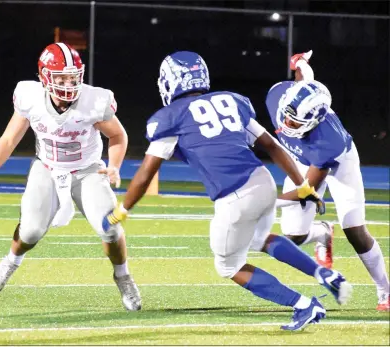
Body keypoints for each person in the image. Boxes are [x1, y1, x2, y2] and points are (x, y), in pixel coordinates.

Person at [102, 51, 353, 330]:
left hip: (235, 196)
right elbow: (271, 145)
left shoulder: (170, 118)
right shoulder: (231, 101)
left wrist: (122, 210)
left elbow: (146, 173)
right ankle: (325, 274)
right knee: (259, 239)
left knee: (230, 267)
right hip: (263, 181)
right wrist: (302, 184)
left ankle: (304, 305)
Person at [0, 42, 141, 311]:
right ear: (45, 76)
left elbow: (118, 135)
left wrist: (115, 165)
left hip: (87, 170)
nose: (69, 84)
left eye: (73, 77)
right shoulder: (30, 96)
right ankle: (11, 260)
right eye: (61, 77)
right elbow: (9, 139)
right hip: (47, 167)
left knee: (111, 227)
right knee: (31, 231)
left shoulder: (94, 101)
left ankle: (123, 275)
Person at [265, 50, 389, 312]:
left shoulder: (328, 142)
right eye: (286, 115)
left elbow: (306, 190)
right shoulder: (278, 95)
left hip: (339, 163)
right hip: (301, 159)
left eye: (294, 121)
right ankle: (322, 233)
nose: (285, 122)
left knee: (354, 228)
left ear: (314, 120)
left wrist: (267, 201)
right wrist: (300, 62)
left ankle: (385, 290)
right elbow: (305, 79)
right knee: (294, 236)